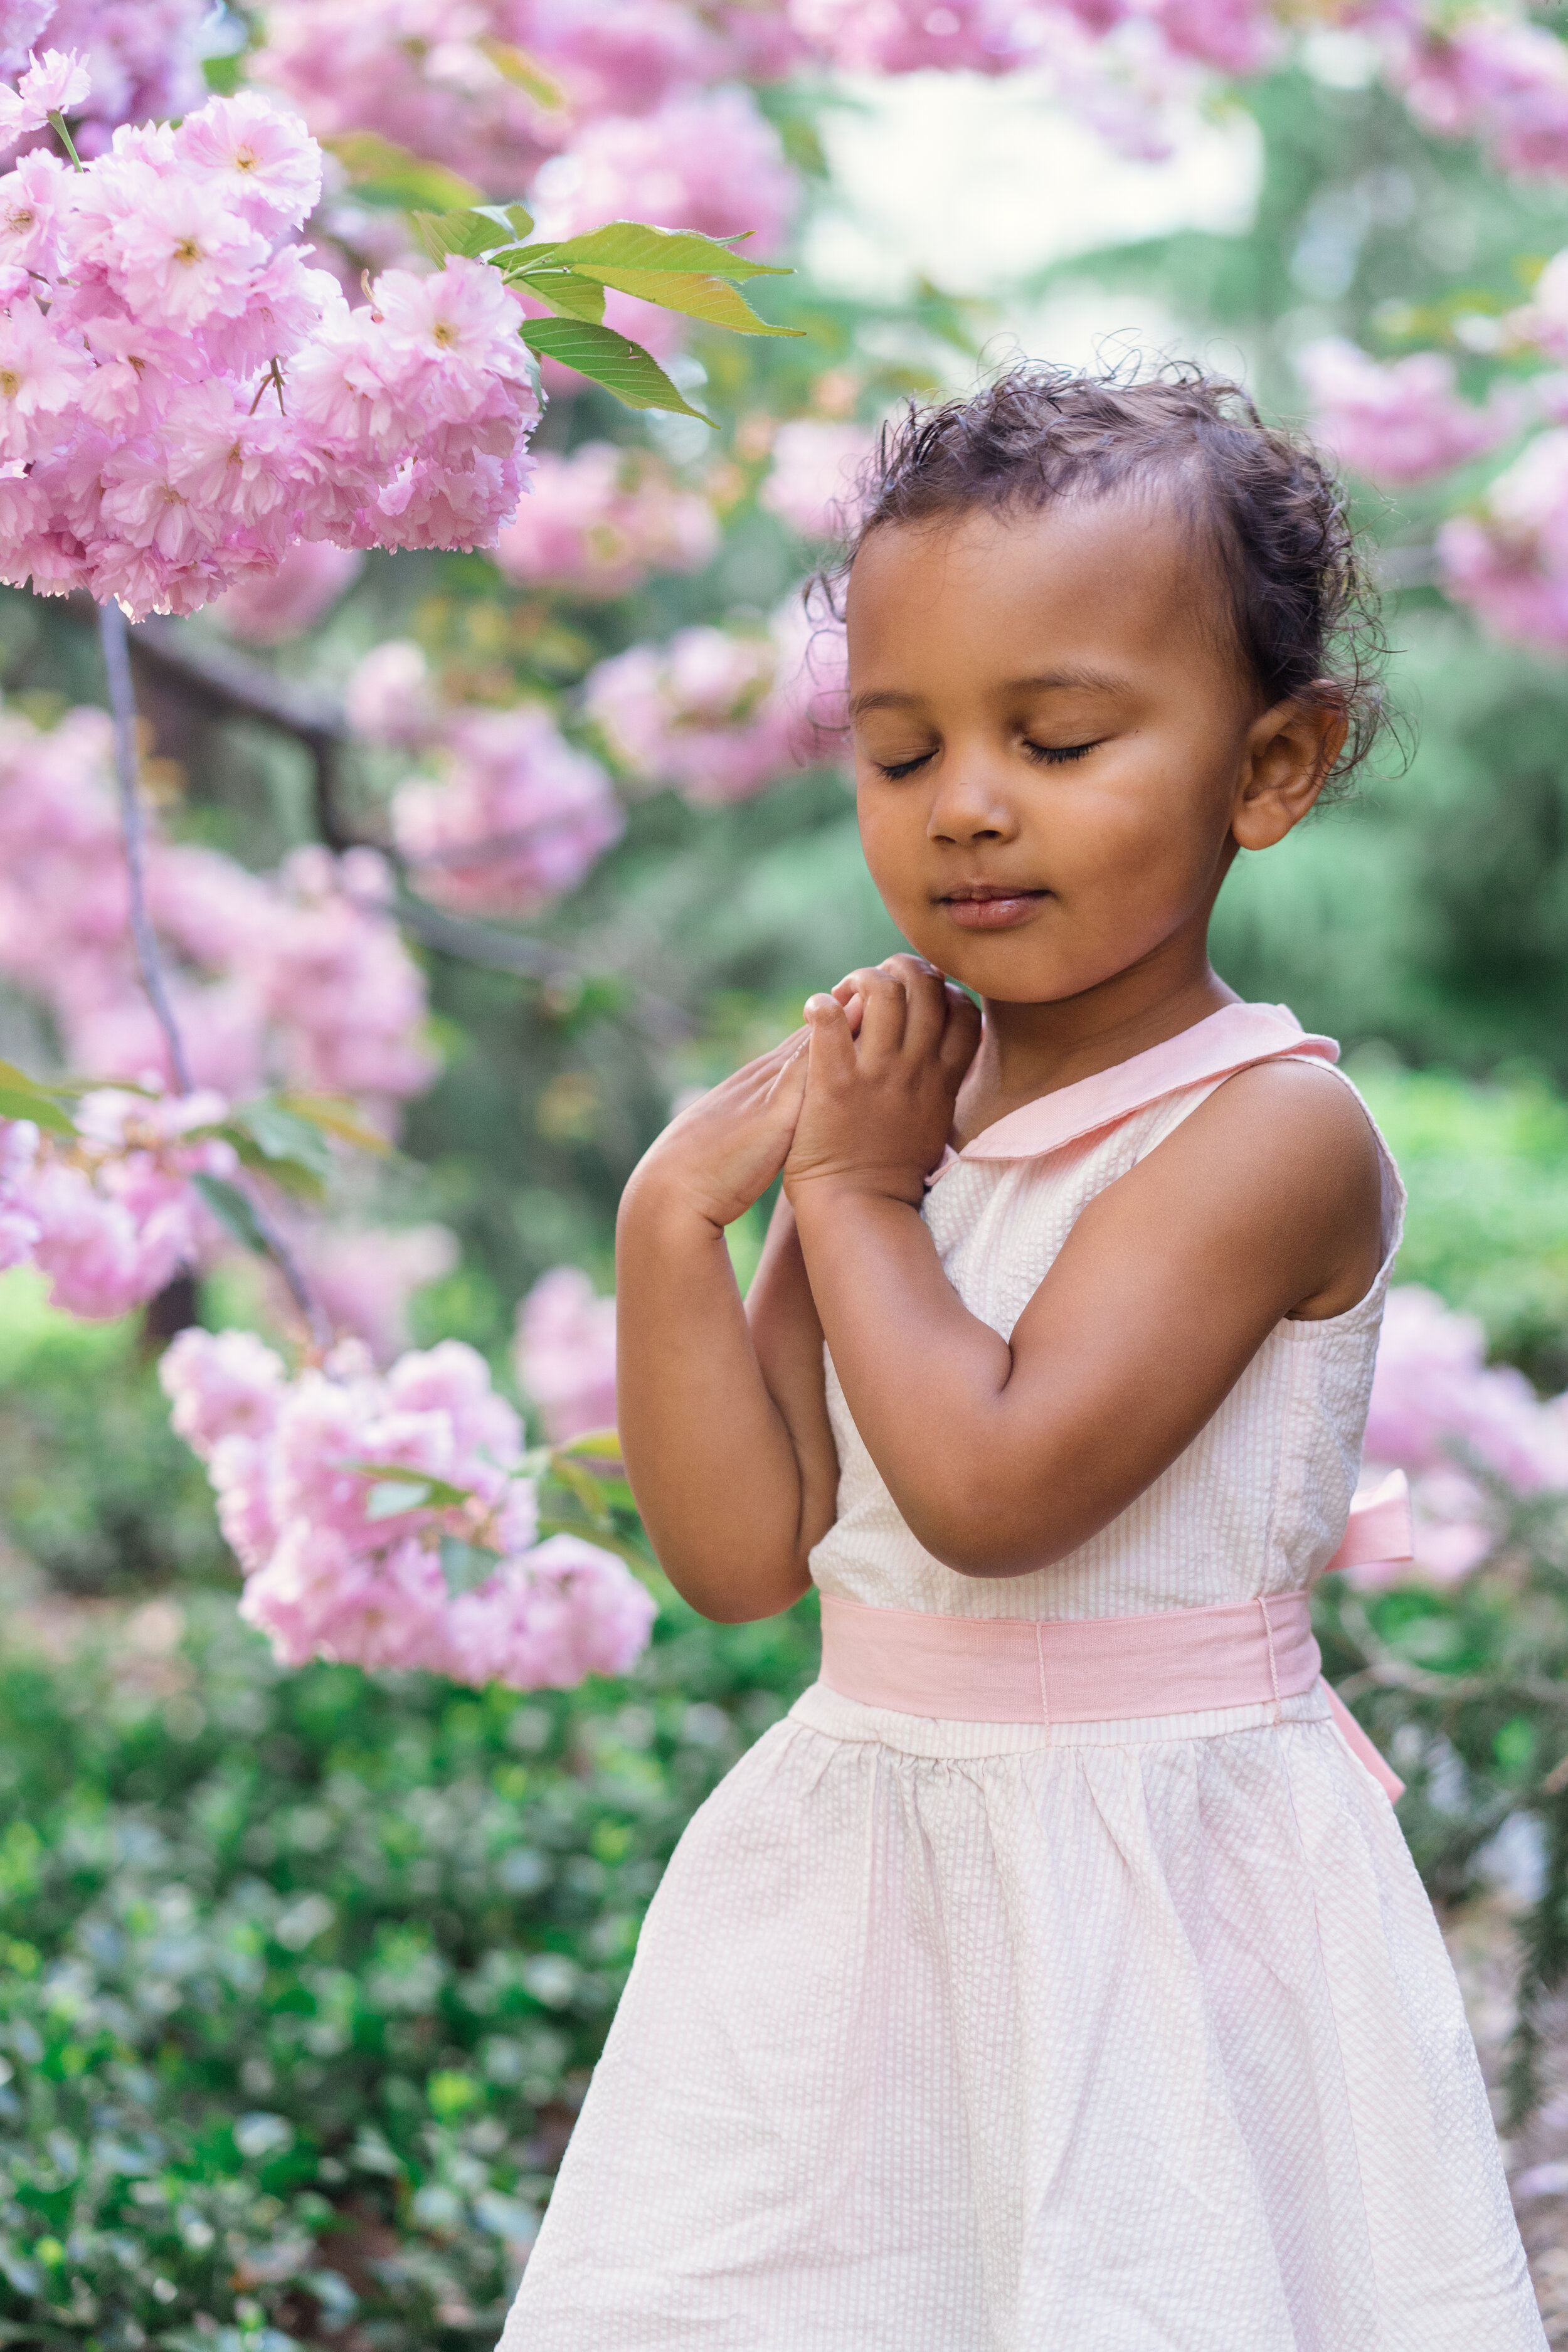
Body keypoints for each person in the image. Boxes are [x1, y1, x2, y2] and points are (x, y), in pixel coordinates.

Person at [499, 366, 1545, 2349]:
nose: (966, 801)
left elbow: (988, 1493)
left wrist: (859, 1196)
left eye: (1055, 737)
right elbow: (739, 1560)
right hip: (859, 1875)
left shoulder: (1263, 1132)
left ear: (1271, 767)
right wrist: (669, 1218)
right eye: (898, 756)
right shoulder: (898, 1109)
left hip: (1153, 1893)